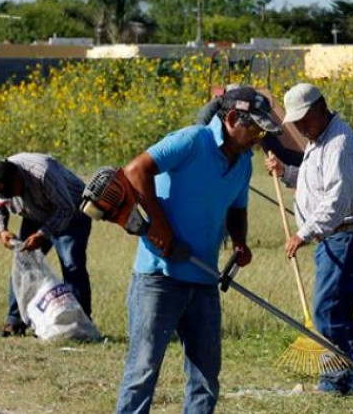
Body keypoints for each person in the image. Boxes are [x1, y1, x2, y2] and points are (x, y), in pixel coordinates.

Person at [115, 86, 281, 414]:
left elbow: (237, 208)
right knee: (143, 371)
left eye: (264, 131)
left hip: (204, 279)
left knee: (206, 376)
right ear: (232, 118)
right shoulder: (192, 141)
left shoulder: (244, 162)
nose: (260, 138)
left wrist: (239, 242)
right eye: (256, 129)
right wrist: (161, 226)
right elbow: (136, 171)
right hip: (159, 277)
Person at [265, 82, 353, 398]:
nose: (300, 127)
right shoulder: (320, 140)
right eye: (296, 122)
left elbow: (335, 202)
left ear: (320, 108)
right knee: (331, 311)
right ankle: (335, 380)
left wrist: (302, 234)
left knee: (330, 312)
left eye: (303, 120)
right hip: (331, 238)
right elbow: (313, 181)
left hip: (347, 237)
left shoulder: (340, 143)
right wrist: (285, 170)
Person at [0, 154, 93, 337]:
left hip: (71, 213)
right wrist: (1, 230)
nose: (10, 197)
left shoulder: (43, 172)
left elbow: (66, 209)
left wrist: (42, 235)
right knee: (23, 263)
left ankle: (79, 324)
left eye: (11, 193)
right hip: (34, 215)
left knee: (72, 264)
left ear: (18, 178)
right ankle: (15, 321)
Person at [196, 84, 303, 167]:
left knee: (278, 152)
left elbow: (277, 151)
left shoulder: (251, 121)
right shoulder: (207, 120)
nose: (256, 140)